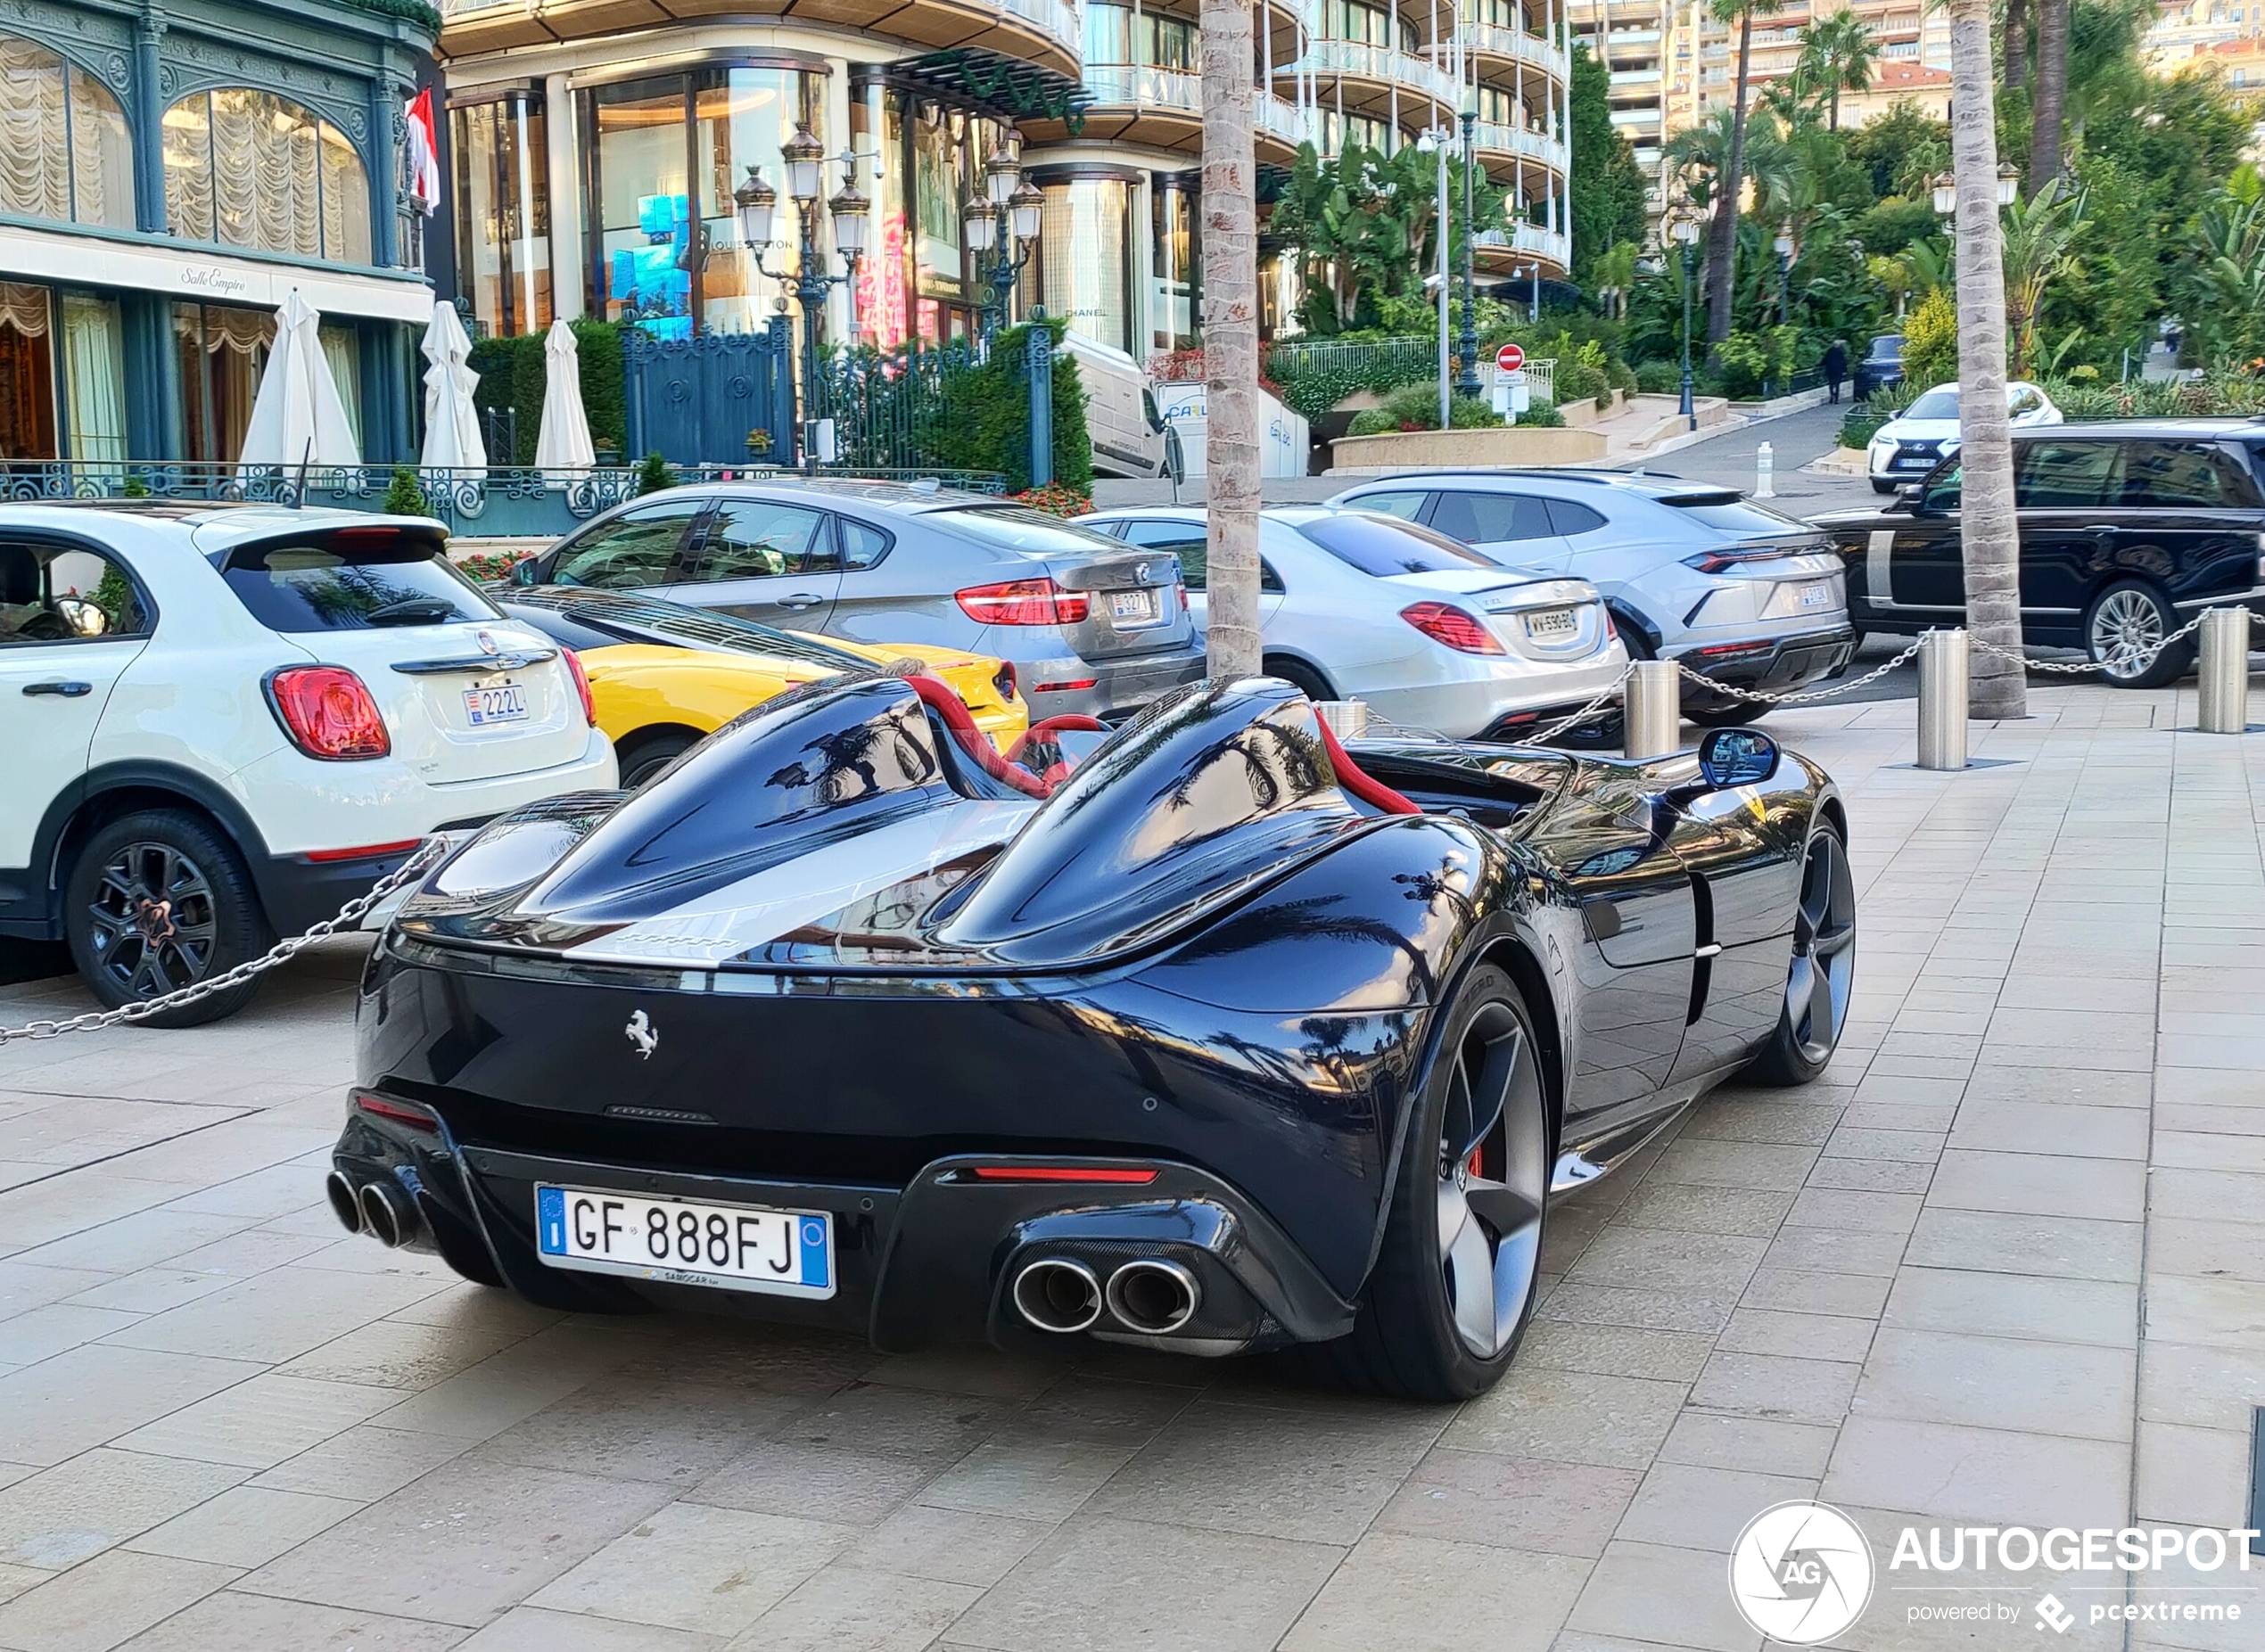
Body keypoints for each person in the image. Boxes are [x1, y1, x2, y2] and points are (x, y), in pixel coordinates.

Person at [1824, 338, 1849, 404]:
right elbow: (1843, 361)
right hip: (1838, 370)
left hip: (1830, 369)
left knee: (1831, 383)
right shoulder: (1840, 352)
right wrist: (1845, 370)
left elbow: (1825, 360)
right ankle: (1836, 399)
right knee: (1837, 384)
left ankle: (1832, 395)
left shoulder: (1829, 351)